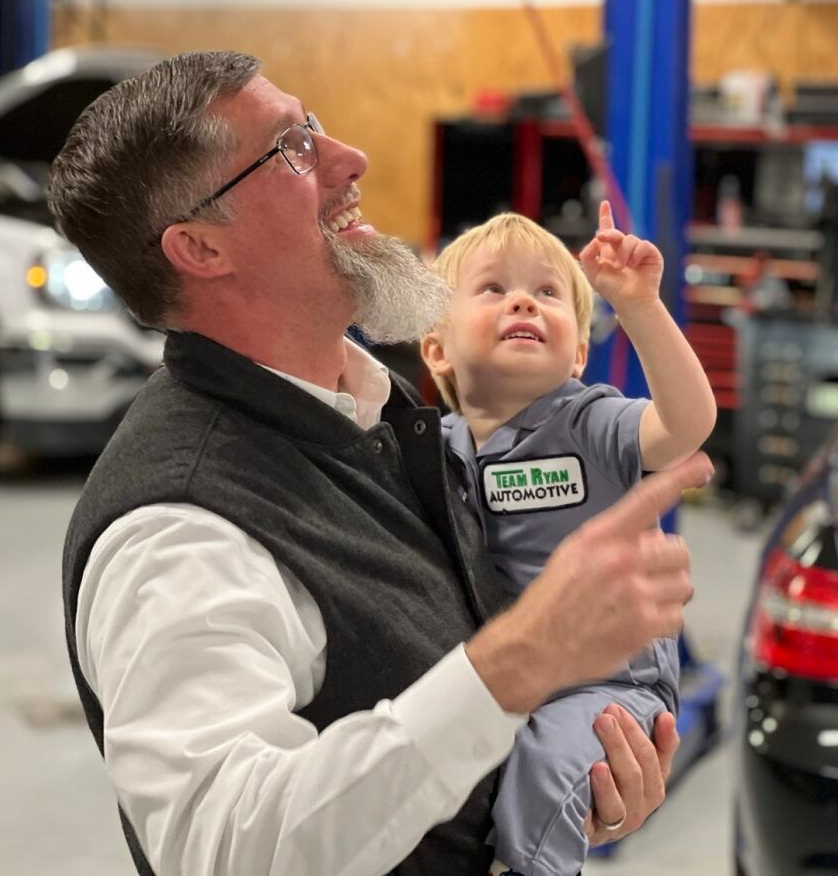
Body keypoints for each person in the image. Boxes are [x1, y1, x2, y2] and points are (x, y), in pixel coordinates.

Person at [47, 49, 712, 876]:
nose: (348, 158)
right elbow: (224, 846)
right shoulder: (180, 528)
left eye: (314, 126)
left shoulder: (376, 413)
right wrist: (521, 660)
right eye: (290, 149)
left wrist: (565, 773)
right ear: (201, 248)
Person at [420, 210, 717, 875]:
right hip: (503, 670)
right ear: (436, 348)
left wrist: (637, 307)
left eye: (547, 292)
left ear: (577, 353)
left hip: (603, 685)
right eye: (492, 288)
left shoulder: (591, 423)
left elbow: (687, 422)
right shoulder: (432, 452)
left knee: (546, 768)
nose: (523, 299)